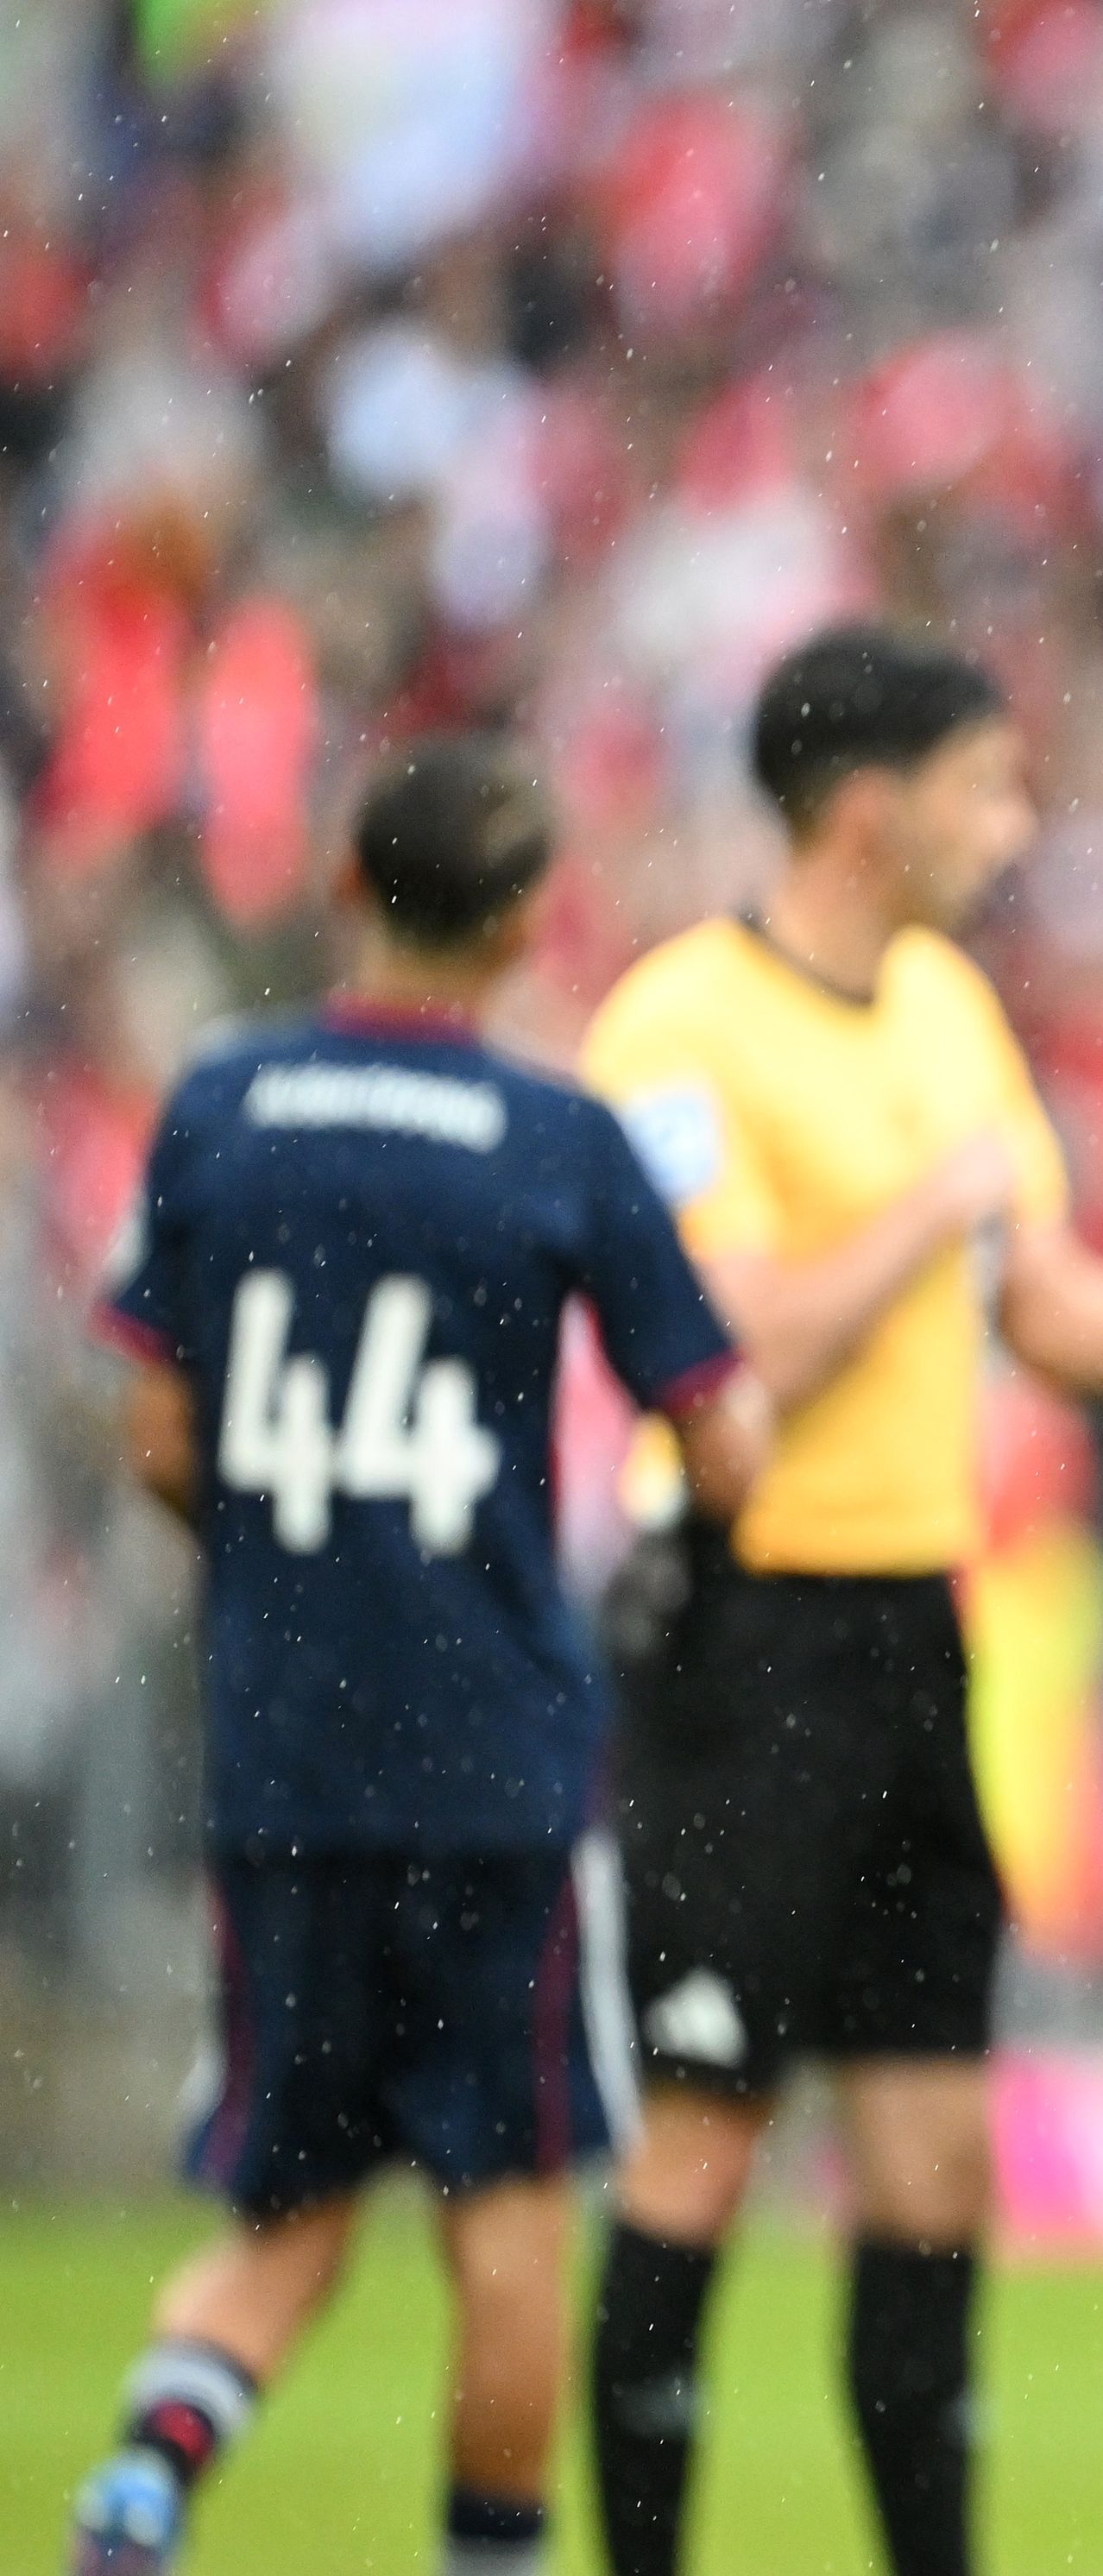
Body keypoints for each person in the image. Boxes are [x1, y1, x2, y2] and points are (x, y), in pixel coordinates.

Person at [63, 740, 772, 2576]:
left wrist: (289, 1578)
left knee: (285, 2184)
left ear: (345, 887)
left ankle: (150, 2464)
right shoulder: (556, 1138)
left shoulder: (221, 1102)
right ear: (531, 913)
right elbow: (725, 1428)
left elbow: (152, 1433)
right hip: (488, 1757)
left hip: (282, 1743)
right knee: (508, 2199)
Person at [575, 627, 1103, 2576]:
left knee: (938, 2160)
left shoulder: (947, 1004)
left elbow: (1043, 1305)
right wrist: (928, 1207)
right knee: (703, 2130)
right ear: (870, 808)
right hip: (737, 1627)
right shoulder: (678, 1026)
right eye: (987, 784)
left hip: (907, 1631)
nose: (1013, 822)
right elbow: (719, 1337)